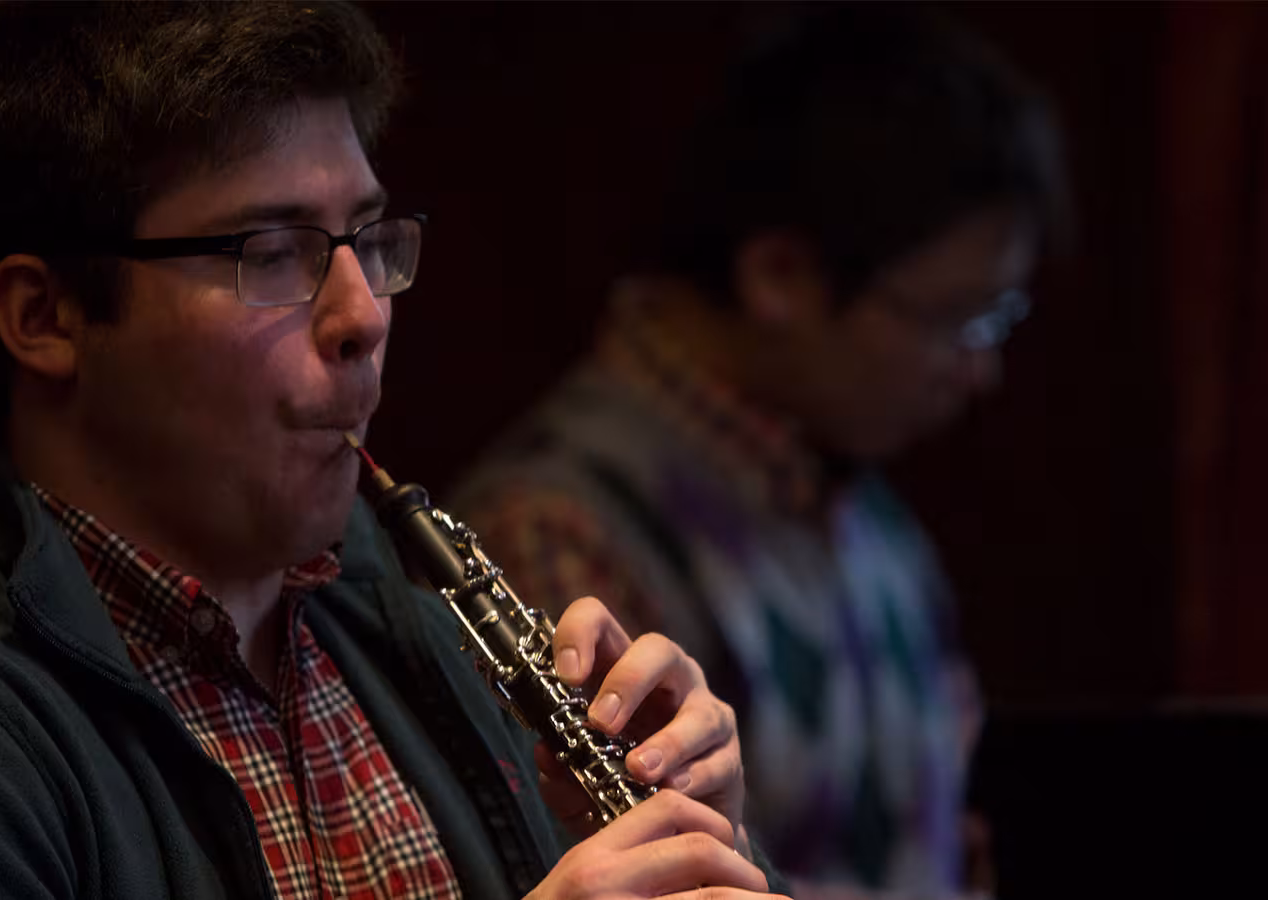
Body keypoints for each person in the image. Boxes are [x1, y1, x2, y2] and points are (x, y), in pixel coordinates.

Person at [0, 3, 787, 898]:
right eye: (273, 253)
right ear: (43, 317)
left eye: (367, 238)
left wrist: (708, 842)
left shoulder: (418, 636)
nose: (363, 315)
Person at [450, 8, 1065, 899]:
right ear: (780, 275)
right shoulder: (560, 526)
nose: (982, 369)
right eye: (954, 319)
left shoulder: (865, 511)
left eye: (997, 318)